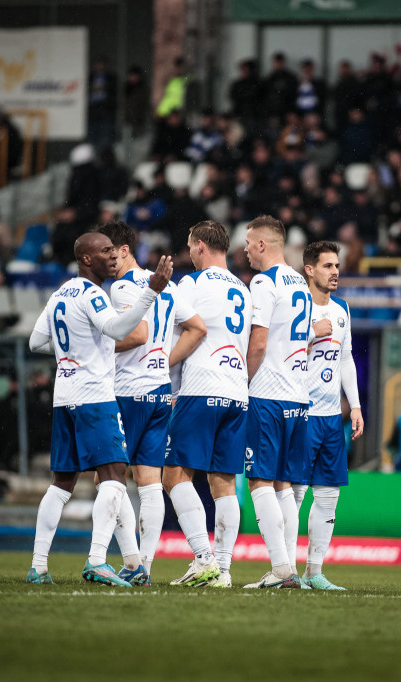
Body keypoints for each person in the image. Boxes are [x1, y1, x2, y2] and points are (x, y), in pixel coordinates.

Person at [25, 231, 172, 586]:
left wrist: (71, 353)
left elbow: (35, 342)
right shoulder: (93, 293)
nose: (112, 256)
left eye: (113, 250)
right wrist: (151, 289)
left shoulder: (61, 292)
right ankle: (96, 560)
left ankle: (38, 566)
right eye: (105, 251)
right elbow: (117, 328)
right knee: (114, 474)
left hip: (65, 396)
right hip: (94, 396)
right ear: (86, 259)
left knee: (61, 484)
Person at [99, 221, 206, 586]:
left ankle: (128, 561)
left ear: (125, 249)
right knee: (149, 484)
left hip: (128, 391)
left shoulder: (123, 287)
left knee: (109, 479)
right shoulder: (169, 287)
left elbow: (137, 334)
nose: (107, 259)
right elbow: (197, 327)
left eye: (110, 252)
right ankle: (144, 564)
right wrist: (166, 360)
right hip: (160, 392)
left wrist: (93, 347)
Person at [161, 220, 251, 588]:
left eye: (189, 247)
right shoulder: (243, 290)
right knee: (223, 482)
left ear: (199, 246)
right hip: (236, 390)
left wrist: (169, 384)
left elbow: (182, 335)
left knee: (174, 474)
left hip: (201, 387)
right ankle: (224, 571)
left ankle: (203, 558)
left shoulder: (191, 284)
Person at [242, 214, 312, 589]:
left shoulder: (263, 282)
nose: (246, 249)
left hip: (267, 393)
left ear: (264, 245)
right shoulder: (299, 281)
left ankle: (282, 568)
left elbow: (259, 342)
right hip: (297, 398)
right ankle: (288, 569)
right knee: (284, 484)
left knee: (260, 481)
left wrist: (242, 381)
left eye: (250, 242)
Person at [299, 241, 363, 590]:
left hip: (329, 417)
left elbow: (346, 359)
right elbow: (277, 351)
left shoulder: (342, 310)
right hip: (300, 413)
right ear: (309, 270)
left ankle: (315, 571)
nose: (335, 271)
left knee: (328, 496)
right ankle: (283, 570)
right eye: (327, 266)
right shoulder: (298, 307)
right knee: (292, 494)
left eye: (337, 265)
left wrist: (354, 405)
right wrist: (310, 333)